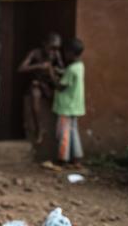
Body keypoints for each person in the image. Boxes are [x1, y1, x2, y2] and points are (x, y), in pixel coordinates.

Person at [18, 33, 65, 144]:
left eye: (57, 48)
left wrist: (55, 70)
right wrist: (38, 65)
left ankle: (61, 132)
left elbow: (62, 69)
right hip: (37, 83)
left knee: (60, 101)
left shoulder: (56, 54)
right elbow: (21, 68)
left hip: (50, 84)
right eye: (52, 47)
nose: (53, 51)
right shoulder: (35, 53)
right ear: (44, 44)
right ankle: (39, 129)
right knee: (35, 99)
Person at [52, 38, 85, 168]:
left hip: (66, 107)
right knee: (74, 132)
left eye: (65, 52)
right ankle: (77, 157)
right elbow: (68, 75)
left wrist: (51, 73)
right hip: (75, 106)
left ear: (71, 53)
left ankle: (62, 159)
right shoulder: (80, 66)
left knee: (64, 133)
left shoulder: (71, 69)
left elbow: (61, 86)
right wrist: (60, 72)